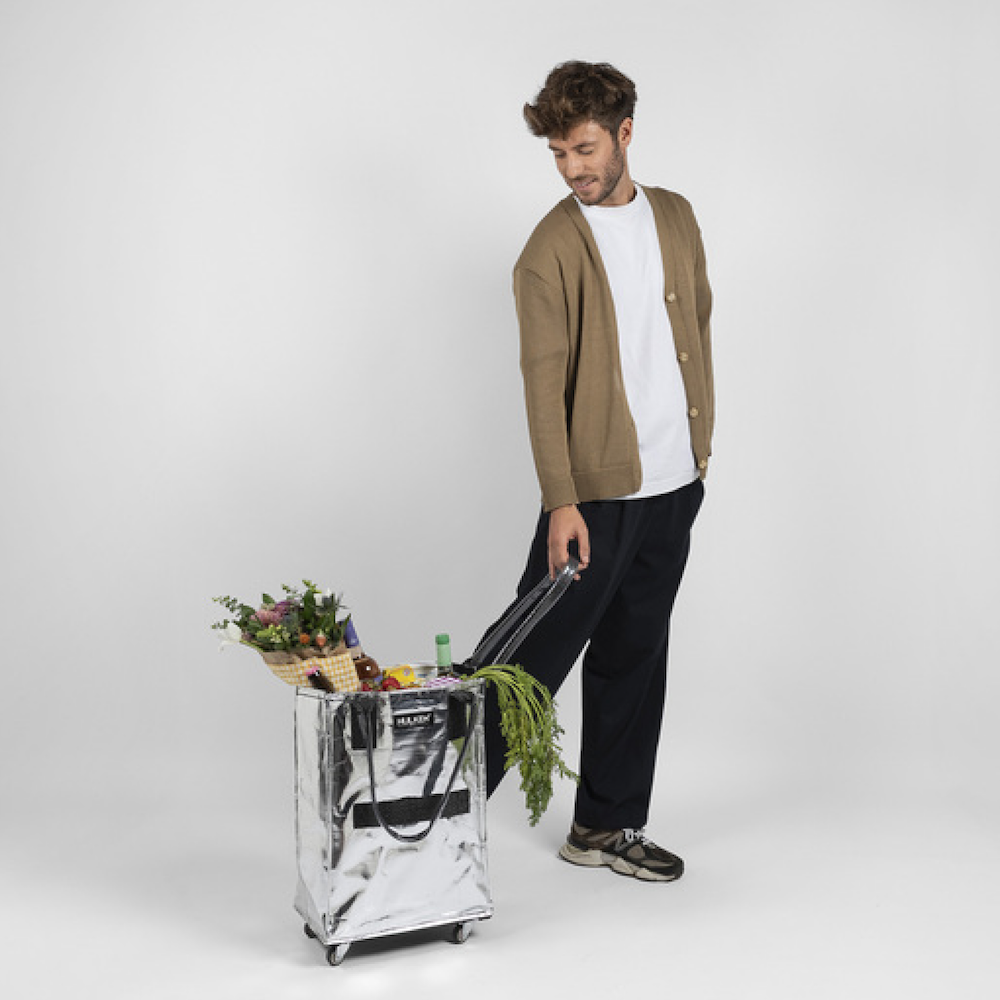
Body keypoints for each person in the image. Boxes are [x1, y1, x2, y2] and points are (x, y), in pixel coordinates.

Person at [482, 61, 715, 883]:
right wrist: (561, 502)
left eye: (582, 147)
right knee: (527, 665)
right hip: (595, 497)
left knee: (634, 655)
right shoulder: (548, 251)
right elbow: (541, 385)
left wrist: (695, 452)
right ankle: (423, 814)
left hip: (672, 484)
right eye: (556, 153)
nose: (572, 167)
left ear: (623, 133)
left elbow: (697, 326)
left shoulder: (677, 218)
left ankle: (605, 826)